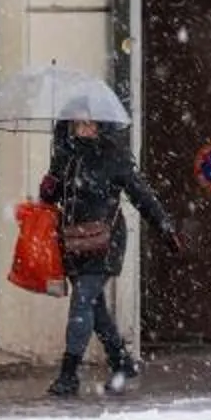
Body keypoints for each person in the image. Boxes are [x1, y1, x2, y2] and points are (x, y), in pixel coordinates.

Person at [38, 116, 175, 400]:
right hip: (74, 240)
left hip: (105, 240)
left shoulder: (114, 157)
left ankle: (68, 374)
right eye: (80, 124)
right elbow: (50, 199)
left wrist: (164, 227)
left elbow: (141, 195)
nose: (86, 129)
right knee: (94, 308)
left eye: (92, 124)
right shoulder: (65, 155)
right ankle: (121, 362)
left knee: (82, 302)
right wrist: (49, 187)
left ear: (102, 127)